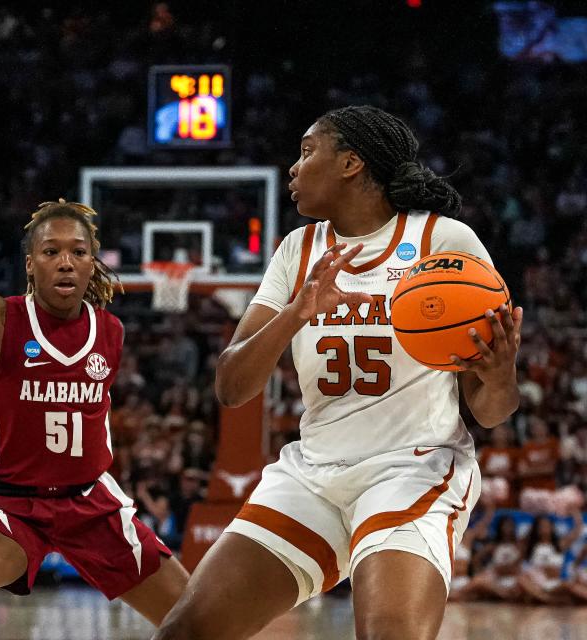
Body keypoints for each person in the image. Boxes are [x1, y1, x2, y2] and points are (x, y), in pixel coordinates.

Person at [154, 105, 523, 640]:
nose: (293, 168)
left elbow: (491, 411)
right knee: (184, 632)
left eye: (307, 153)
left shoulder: (444, 242)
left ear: (351, 163)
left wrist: (501, 374)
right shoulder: (296, 251)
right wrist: (296, 313)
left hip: (411, 467)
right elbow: (232, 387)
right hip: (313, 474)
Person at [0, 136, 189, 638]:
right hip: (13, 505)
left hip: (91, 504)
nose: (65, 261)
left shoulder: (109, 332)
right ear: (32, 264)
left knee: (195, 619)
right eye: (51, 251)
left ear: (93, 262)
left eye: (78, 252)